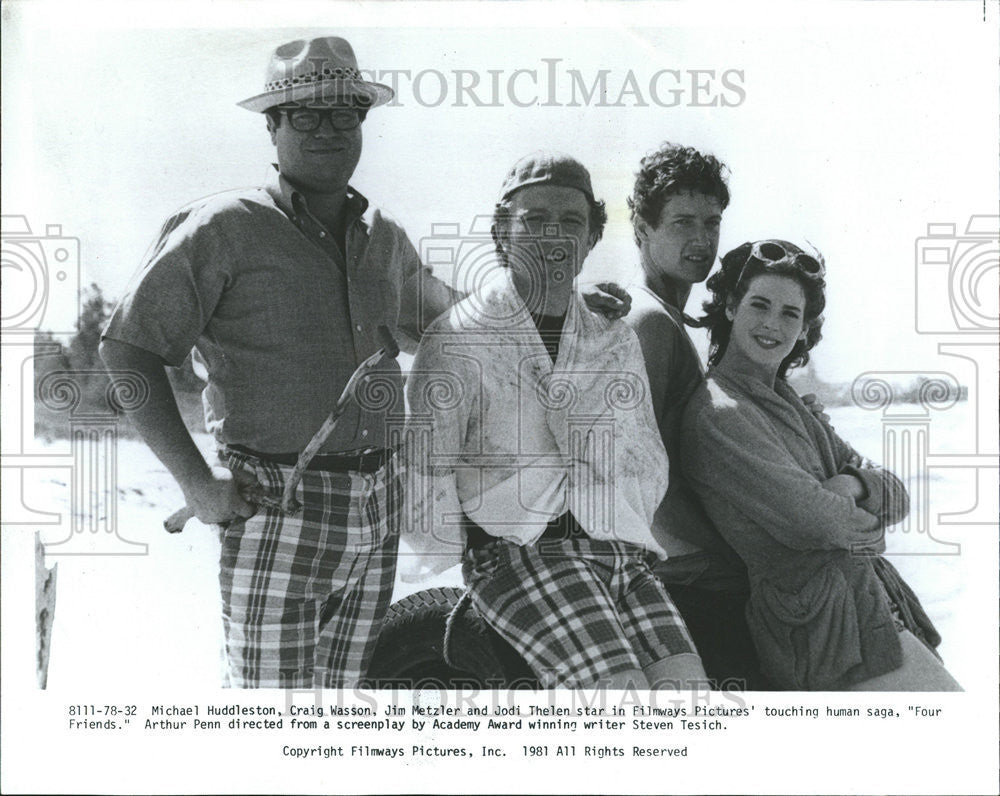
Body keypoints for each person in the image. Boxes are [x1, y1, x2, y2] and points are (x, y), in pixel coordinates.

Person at [99, 36, 460, 688]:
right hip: (274, 503)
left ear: (362, 123)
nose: (327, 129)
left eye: (343, 113)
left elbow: (460, 327)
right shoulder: (222, 227)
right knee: (270, 721)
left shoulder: (387, 239)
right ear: (273, 125)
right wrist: (194, 482)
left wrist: (563, 303)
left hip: (380, 508)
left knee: (337, 718)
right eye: (305, 113)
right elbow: (127, 349)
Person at [401, 152, 706, 689]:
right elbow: (425, 467)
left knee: (688, 694)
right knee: (619, 699)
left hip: (616, 550)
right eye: (534, 220)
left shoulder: (611, 335)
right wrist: (476, 545)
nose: (554, 236)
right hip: (517, 555)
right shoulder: (458, 337)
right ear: (502, 231)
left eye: (571, 222)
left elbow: (640, 454)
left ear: (591, 238)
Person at [680, 239, 961, 690]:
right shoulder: (720, 413)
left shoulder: (789, 401)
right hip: (822, 632)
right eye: (760, 305)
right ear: (731, 307)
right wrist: (865, 521)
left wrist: (849, 485)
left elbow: (899, 495)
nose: (773, 324)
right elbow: (816, 522)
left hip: (870, 603)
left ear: (806, 327)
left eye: (791, 313)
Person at [623, 142, 769, 688]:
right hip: (687, 579)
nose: (701, 239)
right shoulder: (648, 323)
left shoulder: (675, 320)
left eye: (712, 222)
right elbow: (641, 471)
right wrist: (727, 560)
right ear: (642, 227)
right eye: (682, 222)